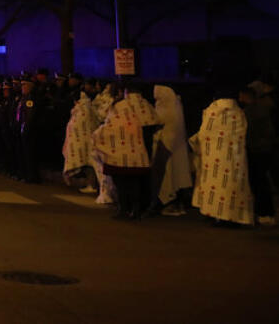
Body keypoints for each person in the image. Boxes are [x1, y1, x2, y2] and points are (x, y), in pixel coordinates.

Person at [92, 82, 160, 219]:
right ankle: (135, 210)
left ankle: (124, 209)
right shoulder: (140, 108)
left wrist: (96, 137)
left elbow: (109, 128)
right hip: (137, 154)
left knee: (122, 183)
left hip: (119, 155)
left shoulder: (117, 109)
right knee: (135, 183)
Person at [189, 86, 254, 227]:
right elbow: (242, 133)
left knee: (215, 187)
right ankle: (236, 217)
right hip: (235, 159)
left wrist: (196, 143)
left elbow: (205, 133)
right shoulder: (239, 113)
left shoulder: (212, 111)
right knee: (233, 187)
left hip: (213, 159)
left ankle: (215, 214)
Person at [151, 85, 193, 215]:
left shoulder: (166, 109)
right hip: (172, 147)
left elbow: (154, 120)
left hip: (165, 147)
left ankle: (168, 202)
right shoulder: (175, 107)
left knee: (167, 177)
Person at [240, 83, 275, 225]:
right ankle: (265, 213)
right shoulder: (262, 109)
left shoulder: (251, 111)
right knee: (260, 182)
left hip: (257, 150)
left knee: (259, 182)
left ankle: (265, 213)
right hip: (264, 149)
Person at [62, 86, 99, 193]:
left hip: (85, 141)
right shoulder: (84, 108)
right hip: (82, 141)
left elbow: (80, 124)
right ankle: (90, 184)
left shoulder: (84, 109)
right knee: (87, 164)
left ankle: (92, 185)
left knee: (89, 164)